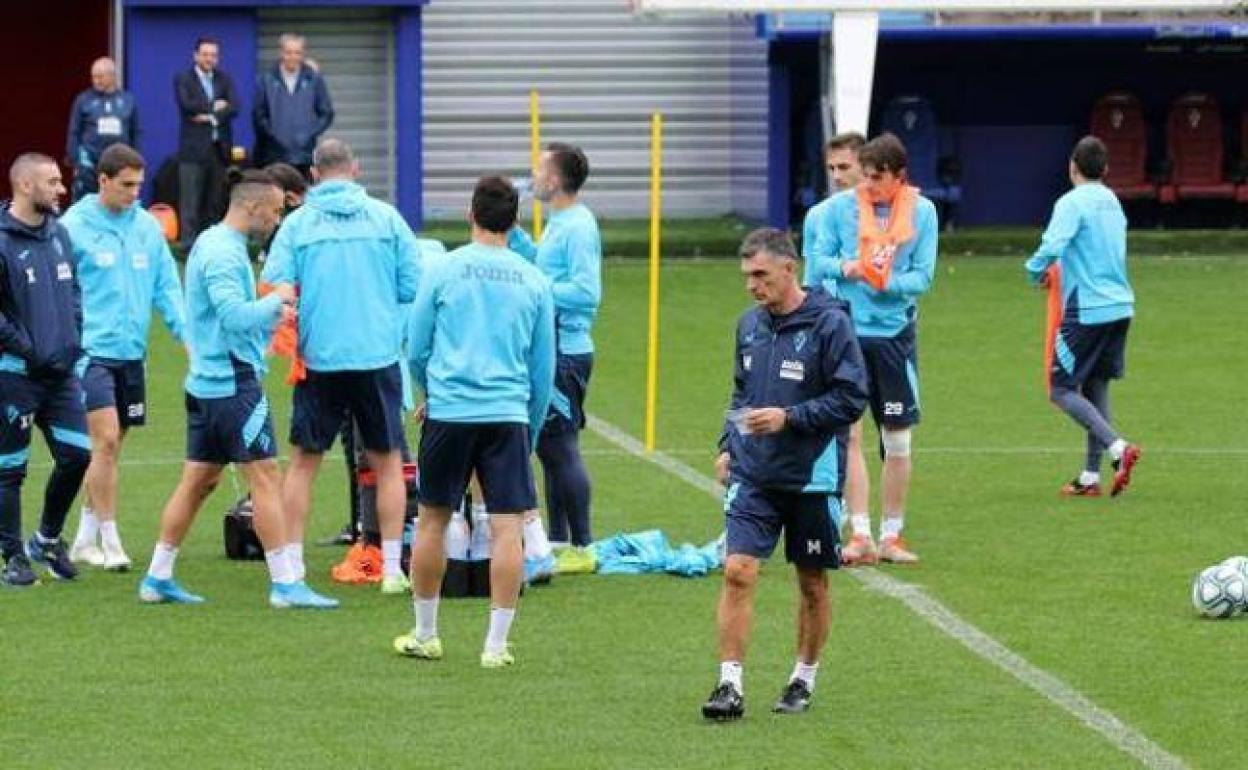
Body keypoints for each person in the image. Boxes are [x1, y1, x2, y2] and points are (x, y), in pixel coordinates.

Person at [137, 169, 337, 609]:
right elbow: (233, 316)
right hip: (232, 386)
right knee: (265, 477)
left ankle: (157, 576)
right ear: (251, 205)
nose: (277, 220)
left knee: (198, 481)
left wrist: (271, 314)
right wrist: (278, 300)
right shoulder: (224, 254)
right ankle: (286, 584)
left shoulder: (211, 243)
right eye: (274, 211)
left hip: (206, 384)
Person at [703, 228, 867, 720]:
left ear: (789, 268)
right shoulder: (748, 326)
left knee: (812, 582)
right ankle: (729, 685)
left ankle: (803, 678)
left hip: (812, 476)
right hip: (754, 473)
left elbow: (851, 398)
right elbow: (741, 391)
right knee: (737, 570)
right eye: (747, 276)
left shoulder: (830, 325)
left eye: (761, 275)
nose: (752, 285)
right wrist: (728, 444)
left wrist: (789, 418)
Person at [394, 175, 555, 668]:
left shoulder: (444, 269)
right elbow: (542, 368)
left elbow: (416, 344)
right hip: (507, 415)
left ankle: (426, 633)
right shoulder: (533, 279)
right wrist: (530, 424)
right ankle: (496, 645)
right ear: (515, 221)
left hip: (451, 412)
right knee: (507, 528)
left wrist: (432, 391)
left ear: (471, 214)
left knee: (432, 521)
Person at [261, 138, 420, 596]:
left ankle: (292, 566)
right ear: (356, 168)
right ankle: (392, 567)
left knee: (303, 464)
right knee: (387, 463)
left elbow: (275, 287)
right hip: (377, 355)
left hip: (321, 358)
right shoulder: (387, 218)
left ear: (313, 174)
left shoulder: (298, 224)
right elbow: (411, 285)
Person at [805, 133, 938, 566]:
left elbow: (923, 277)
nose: (868, 186)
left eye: (877, 178)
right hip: (846, 333)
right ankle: (859, 533)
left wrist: (885, 283)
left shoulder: (923, 212)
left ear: (899, 176)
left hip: (894, 337)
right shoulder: (836, 211)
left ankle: (891, 535)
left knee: (897, 439)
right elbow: (818, 262)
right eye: (864, 176)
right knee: (848, 433)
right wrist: (850, 268)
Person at [61, 144, 185, 571]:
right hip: (89, 352)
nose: (135, 194)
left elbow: (166, 285)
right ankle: (111, 543)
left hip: (132, 353)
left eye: (139, 185)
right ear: (103, 180)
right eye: (127, 185)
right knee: (107, 440)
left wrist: (186, 334)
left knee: (109, 449)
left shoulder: (147, 227)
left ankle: (83, 539)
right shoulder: (73, 227)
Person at [1026, 136, 1141, 496]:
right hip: (1121, 306)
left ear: (1072, 167)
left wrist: (1033, 270)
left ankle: (1118, 449)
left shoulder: (1071, 202)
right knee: (1095, 386)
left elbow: (1053, 245)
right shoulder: (1113, 201)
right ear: (1105, 169)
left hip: (1087, 309)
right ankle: (1090, 477)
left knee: (1060, 389)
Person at [507, 142, 601, 580]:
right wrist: (516, 238)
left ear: (556, 179)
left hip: (566, 351)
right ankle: (560, 540)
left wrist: (535, 285)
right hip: (552, 347)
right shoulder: (559, 223)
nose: (533, 177)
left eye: (539, 169)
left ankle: (583, 544)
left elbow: (585, 292)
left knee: (560, 447)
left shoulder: (578, 226)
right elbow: (545, 270)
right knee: (548, 447)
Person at [0, 153, 92, 586]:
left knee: (77, 457)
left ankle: (47, 541)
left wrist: (74, 334)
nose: (61, 188)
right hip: (15, 374)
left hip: (61, 374)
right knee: (10, 469)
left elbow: (73, 291)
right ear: (25, 185)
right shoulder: (2, 240)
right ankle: (13, 557)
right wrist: (28, 348)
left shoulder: (59, 233)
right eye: (52, 182)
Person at [174, 37, 239, 251]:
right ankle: (188, 247)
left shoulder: (224, 79)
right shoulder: (184, 78)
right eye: (205, 54)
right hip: (193, 151)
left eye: (213, 55)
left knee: (215, 201)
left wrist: (210, 117)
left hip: (218, 150)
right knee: (190, 202)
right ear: (196, 56)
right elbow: (187, 105)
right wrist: (216, 107)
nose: (209, 59)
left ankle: (212, 246)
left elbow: (235, 106)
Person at [252, 33, 334, 177]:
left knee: (302, 191)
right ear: (281, 53)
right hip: (274, 156)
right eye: (288, 52)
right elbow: (258, 114)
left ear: (303, 54)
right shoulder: (266, 80)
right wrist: (273, 134)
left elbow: (326, 113)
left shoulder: (313, 79)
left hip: (304, 156)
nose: (293, 57)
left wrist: (310, 133)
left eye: (297, 53)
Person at [65, 57, 139, 202]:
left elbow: (136, 132)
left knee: (118, 200)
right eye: (93, 77)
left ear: (112, 76)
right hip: (89, 163)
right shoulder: (83, 100)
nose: (96, 81)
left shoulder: (128, 100)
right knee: (86, 201)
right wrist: (75, 160)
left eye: (100, 77)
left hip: (119, 163)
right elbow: (74, 131)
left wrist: (135, 159)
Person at [801, 133, 865, 263]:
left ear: (865, 165)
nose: (836, 176)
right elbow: (812, 272)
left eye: (843, 167)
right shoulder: (816, 215)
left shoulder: (888, 211)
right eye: (831, 168)